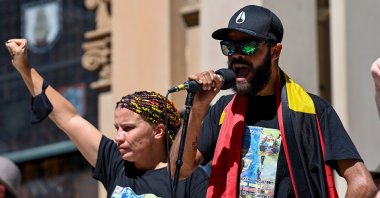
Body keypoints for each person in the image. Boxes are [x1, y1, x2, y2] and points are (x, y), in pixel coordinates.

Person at [170, 5, 377, 197]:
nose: (237, 55)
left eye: (248, 46)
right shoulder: (223, 110)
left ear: (275, 52)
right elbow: (179, 169)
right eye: (230, 47)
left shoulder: (312, 111)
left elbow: (362, 183)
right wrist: (197, 109)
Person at [5, 39, 208, 197]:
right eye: (117, 128)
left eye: (128, 128)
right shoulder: (115, 163)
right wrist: (24, 67)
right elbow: (67, 117)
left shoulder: (190, 178)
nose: (118, 137)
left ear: (158, 130)